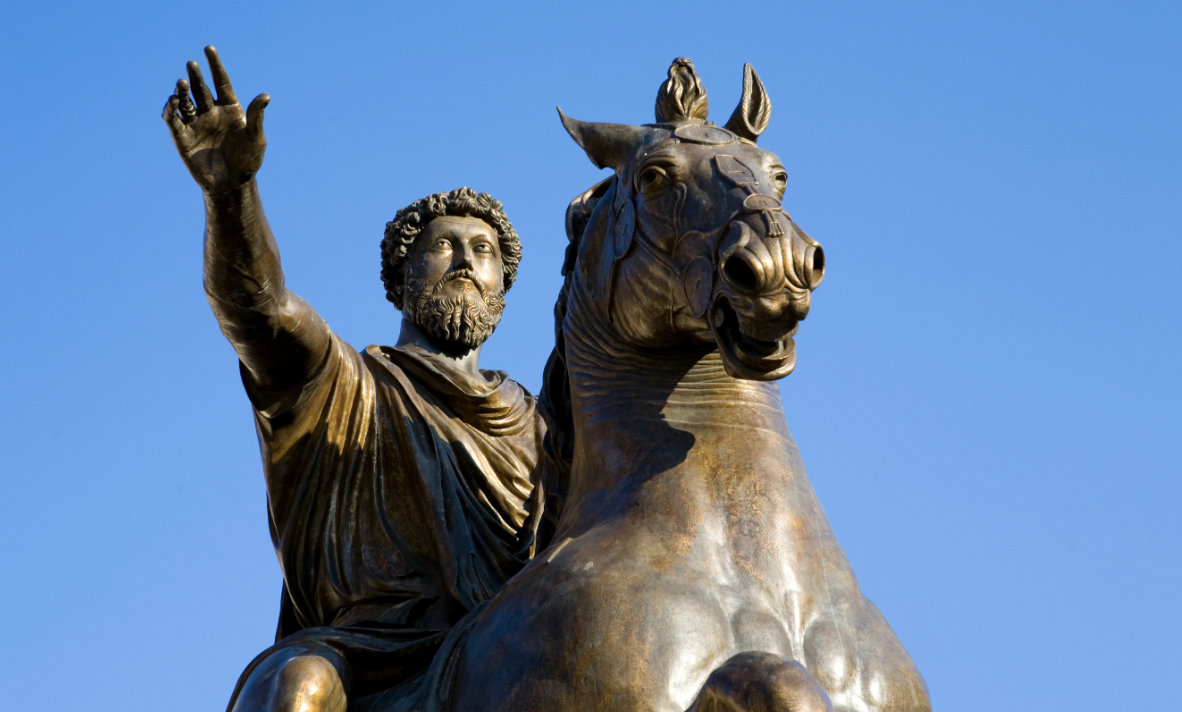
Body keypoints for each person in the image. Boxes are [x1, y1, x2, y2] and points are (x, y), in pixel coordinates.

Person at [163, 46, 547, 712]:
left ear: (502, 291)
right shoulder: (340, 384)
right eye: (444, 245)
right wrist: (230, 194)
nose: (465, 259)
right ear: (400, 279)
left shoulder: (548, 428)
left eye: (483, 251)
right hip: (366, 654)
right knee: (297, 689)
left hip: (514, 652)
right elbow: (259, 311)